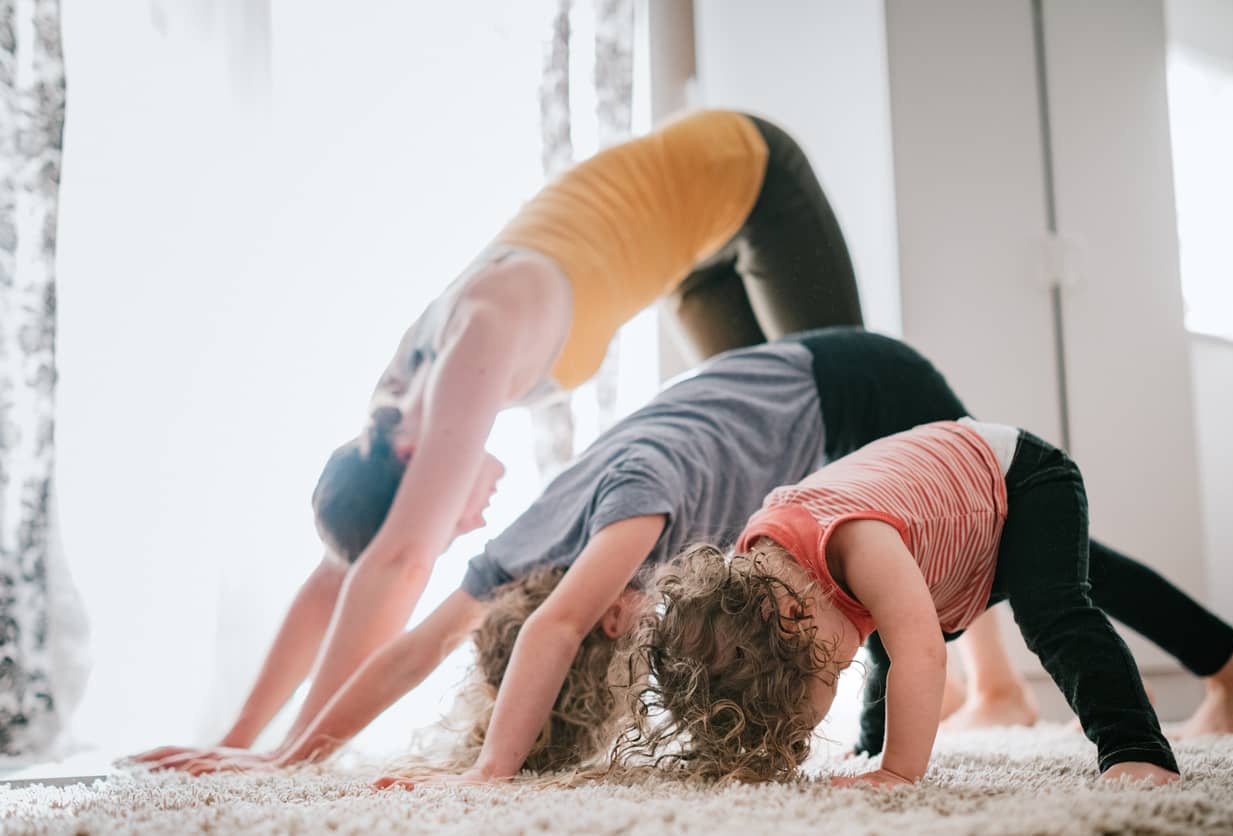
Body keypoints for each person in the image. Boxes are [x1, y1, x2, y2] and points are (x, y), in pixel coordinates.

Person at [125, 109, 862, 771]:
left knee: (860, 434)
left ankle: (978, 677)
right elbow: (342, 573)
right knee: (786, 462)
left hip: (746, 175)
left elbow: (401, 558)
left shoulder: (474, 340)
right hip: (689, 250)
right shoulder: (393, 410)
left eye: (450, 516)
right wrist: (240, 737)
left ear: (415, 468)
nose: (474, 523)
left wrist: (295, 754)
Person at [624, 419, 1233, 786]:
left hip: (1019, 481)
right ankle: (871, 742)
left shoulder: (853, 542)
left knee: (1053, 613)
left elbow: (919, 652)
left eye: (831, 675)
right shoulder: (769, 567)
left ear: (791, 617)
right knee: (877, 635)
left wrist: (898, 774)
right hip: (953, 535)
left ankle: (1137, 750)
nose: (843, 669)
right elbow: (877, 645)